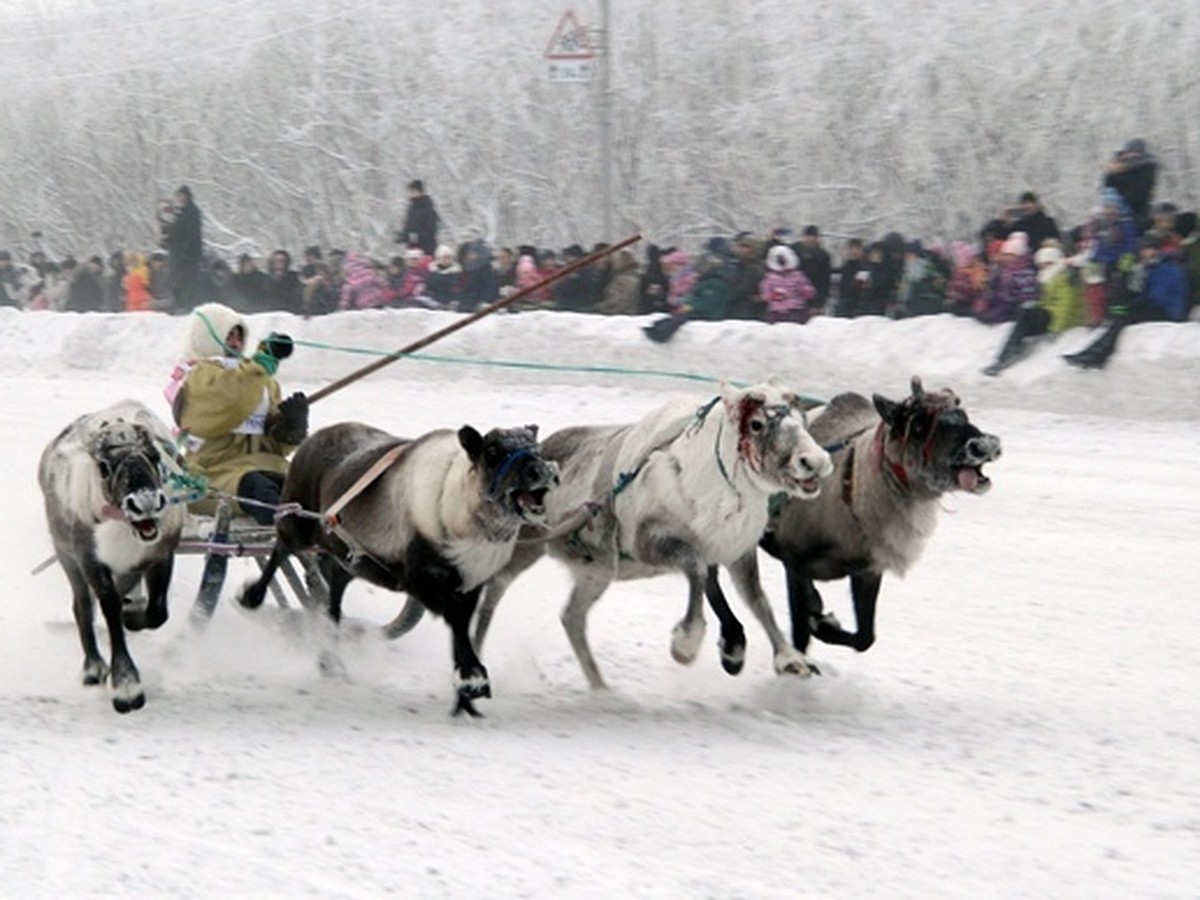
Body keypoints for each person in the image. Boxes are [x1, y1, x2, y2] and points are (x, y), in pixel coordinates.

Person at [165, 302, 307, 525]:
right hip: (212, 474)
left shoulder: (261, 380)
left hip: (266, 465)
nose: (235, 343)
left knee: (310, 488)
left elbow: (274, 443)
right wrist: (261, 361)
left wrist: (290, 429)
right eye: (228, 336)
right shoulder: (198, 377)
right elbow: (233, 401)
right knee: (259, 489)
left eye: (239, 337)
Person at [1064, 232, 1188, 369]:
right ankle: (1092, 349)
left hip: (1167, 311)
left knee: (1124, 316)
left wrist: (1136, 300)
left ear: (1156, 250)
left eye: (1147, 249)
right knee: (1118, 311)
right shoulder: (1151, 268)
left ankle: (1097, 354)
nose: (1143, 253)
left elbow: (1157, 297)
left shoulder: (1168, 269)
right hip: (1155, 307)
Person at [983, 243, 1083, 375]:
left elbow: (1066, 304)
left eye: (1045, 264)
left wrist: (1056, 329)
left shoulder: (1062, 278)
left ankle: (1007, 355)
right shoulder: (1048, 277)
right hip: (1047, 313)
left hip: (1053, 316)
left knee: (1027, 316)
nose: (1042, 267)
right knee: (1025, 317)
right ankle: (1006, 354)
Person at [975, 231, 1038, 323]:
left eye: (1010, 255)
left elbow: (1027, 293)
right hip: (1003, 300)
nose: (1006, 258)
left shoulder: (1025, 272)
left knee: (994, 314)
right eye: (1006, 255)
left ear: (1018, 256)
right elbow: (995, 287)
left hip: (1014, 304)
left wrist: (1020, 303)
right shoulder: (1004, 270)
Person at [163, 185, 204, 309]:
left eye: (180, 196)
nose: (179, 199)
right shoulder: (180, 212)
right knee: (176, 280)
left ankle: (188, 306)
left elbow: (191, 232)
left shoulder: (192, 211)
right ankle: (179, 305)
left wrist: (185, 250)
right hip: (178, 252)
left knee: (187, 281)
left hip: (188, 254)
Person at [1103, 139, 1158, 231]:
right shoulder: (1114, 171)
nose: (1132, 156)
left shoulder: (1147, 169)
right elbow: (1106, 192)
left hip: (1137, 213)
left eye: (1137, 153)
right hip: (1115, 211)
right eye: (1130, 152)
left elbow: (1139, 195)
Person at [757, 244, 815, 324]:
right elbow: (765, 295)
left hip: (795, 309)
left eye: (784, 259)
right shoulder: (769, 278)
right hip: (776, 311)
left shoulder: (798, 276)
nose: (782, 262)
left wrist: (805, 290)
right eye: (780, 260)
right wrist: (773, 295)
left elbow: (809, 293)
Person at [397, 179, 439, 257]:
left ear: (421, 192)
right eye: (410, 192)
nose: (411, 194)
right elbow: (410, 228)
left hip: (426, 251)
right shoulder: (411, 209)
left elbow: (430, 234)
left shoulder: (428, 209)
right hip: (412, 251)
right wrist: (403, 236)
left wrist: (411, 237)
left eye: (414, 191)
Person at [796, 225, 833, 312]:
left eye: (812, 237)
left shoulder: (823, 256)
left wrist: (819, 303)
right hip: (795, 296)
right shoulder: (795, 251)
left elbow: (825, 281)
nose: (809, 239)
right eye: (807, 236)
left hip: (814, 294)